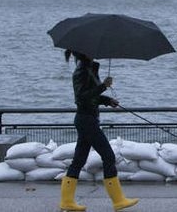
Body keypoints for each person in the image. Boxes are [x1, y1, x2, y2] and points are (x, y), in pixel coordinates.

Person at [59, 49, 139, 211]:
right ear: (83, 53)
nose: (94, 52)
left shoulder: (89, 69)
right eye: (90, 50)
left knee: (79, 160)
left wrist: (107, 100)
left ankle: (67, 201)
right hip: (86, 120)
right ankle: (118, 200)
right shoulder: (81, 71)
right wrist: (103, 86)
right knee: (108, 156)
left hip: (87, 119)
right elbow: (81, 98)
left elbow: (91, 97)